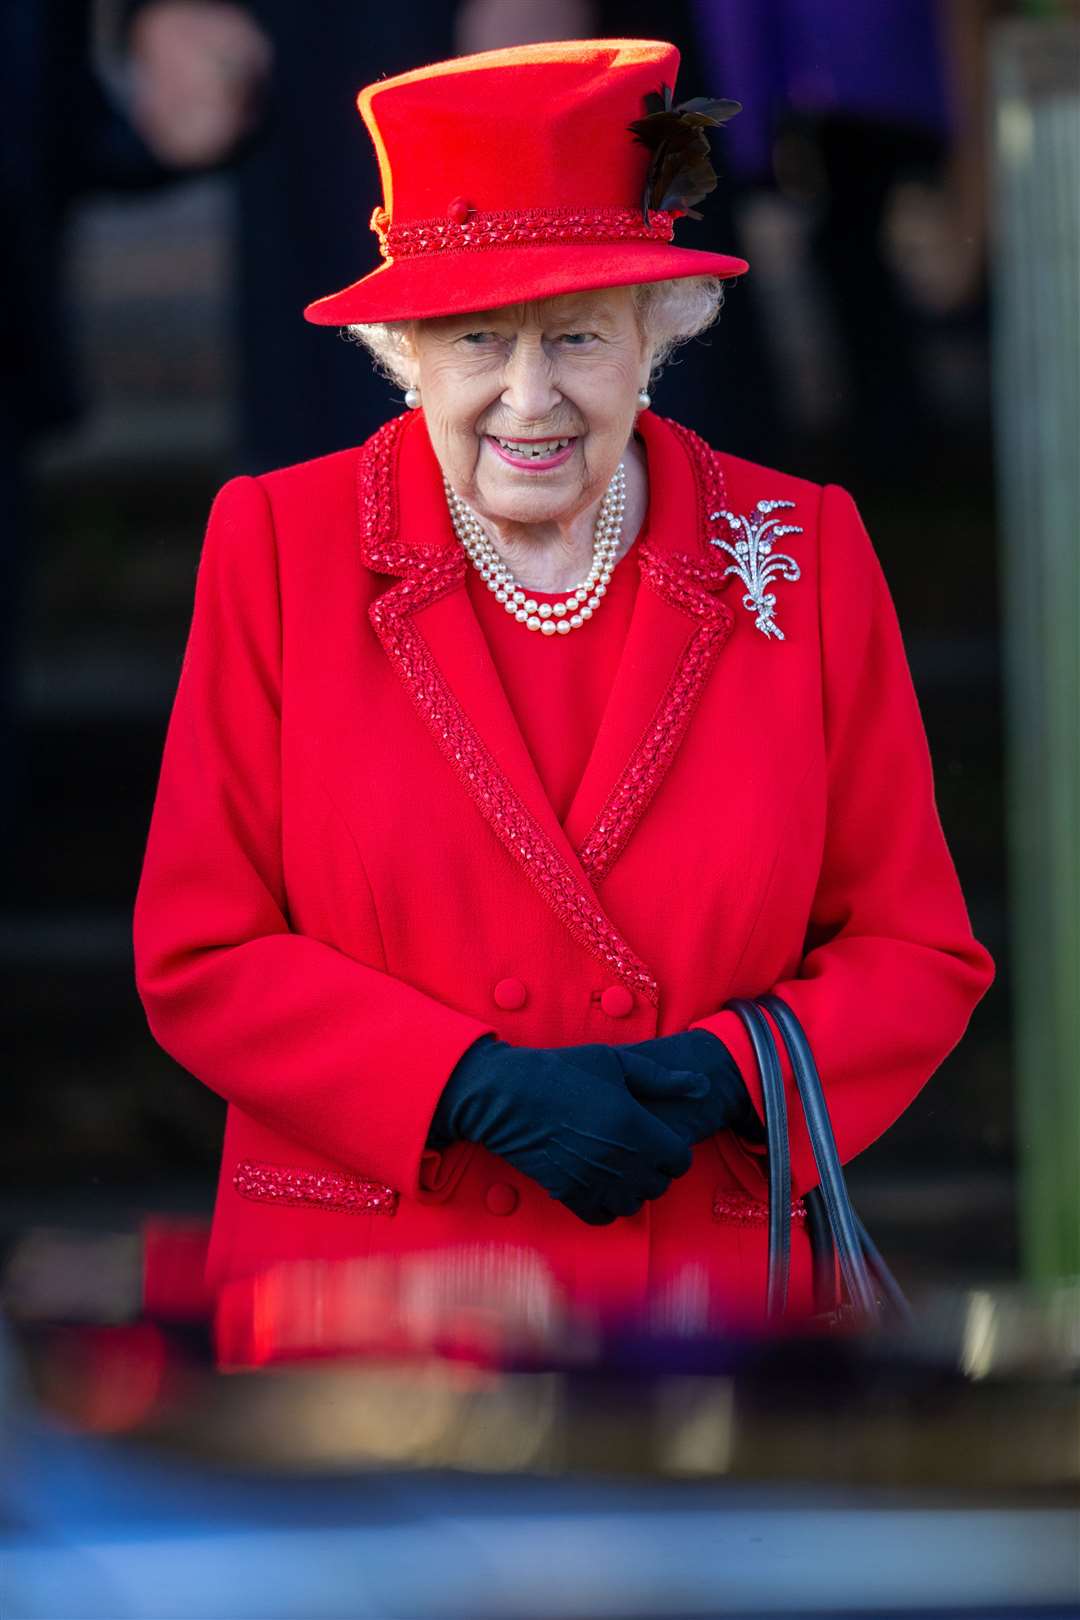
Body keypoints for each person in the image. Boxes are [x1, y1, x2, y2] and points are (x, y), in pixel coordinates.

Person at [131, 39, 994, 1349]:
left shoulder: (798, 551)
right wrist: (462, 1087)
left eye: (579, 336)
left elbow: (915, 949)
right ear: (404, 350)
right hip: (361, 1315)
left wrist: (733, 1073)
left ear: (658, 333)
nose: (529, 400)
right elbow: (200, 949)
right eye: (479, 340)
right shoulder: (281, 545)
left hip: (695, 1313)